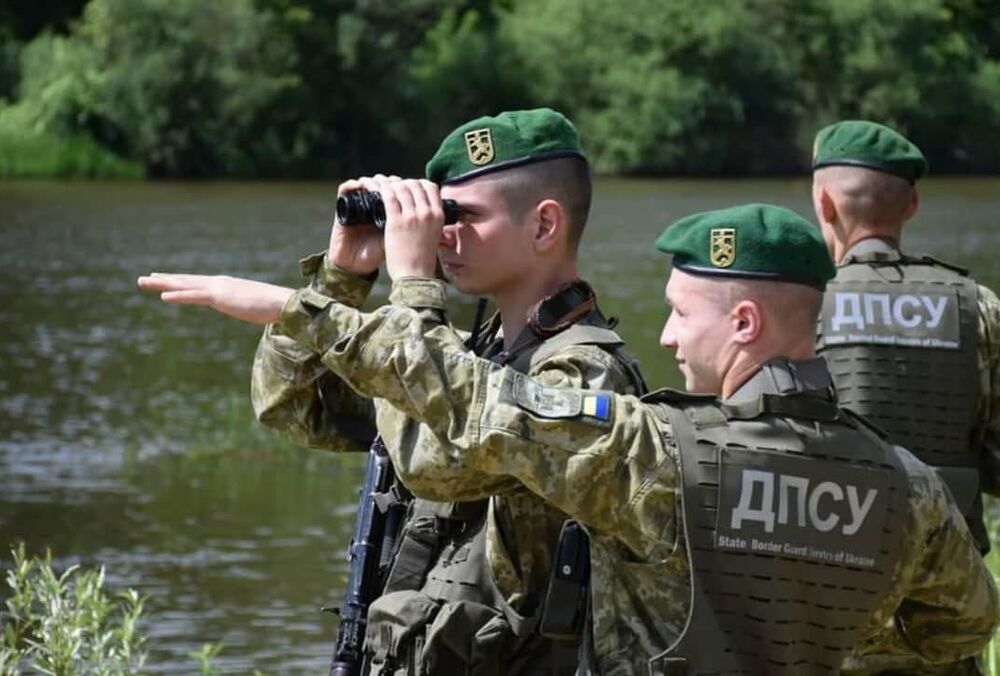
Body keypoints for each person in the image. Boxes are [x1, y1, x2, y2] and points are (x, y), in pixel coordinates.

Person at [242, 201, 996, 675]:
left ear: (743, 324)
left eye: (680, 313)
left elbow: (474, 417)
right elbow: (962, 622)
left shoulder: (660, 454)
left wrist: (311, 307)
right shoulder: (904, 482)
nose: (665, 335)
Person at [140, 108, 647, 675]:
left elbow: (441, 463)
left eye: (461, 216)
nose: (441, 233)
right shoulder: (457, 358)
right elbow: (290, 405)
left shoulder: (588, 376)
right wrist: (341, 278)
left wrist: (409, 286)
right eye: (436, 214)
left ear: (544, 225)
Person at [811, 120, 1000, 556]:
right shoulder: (977, 305)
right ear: (912, 204)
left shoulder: (801, 305)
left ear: (825, 204)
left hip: (833, 564)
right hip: (950, 571)